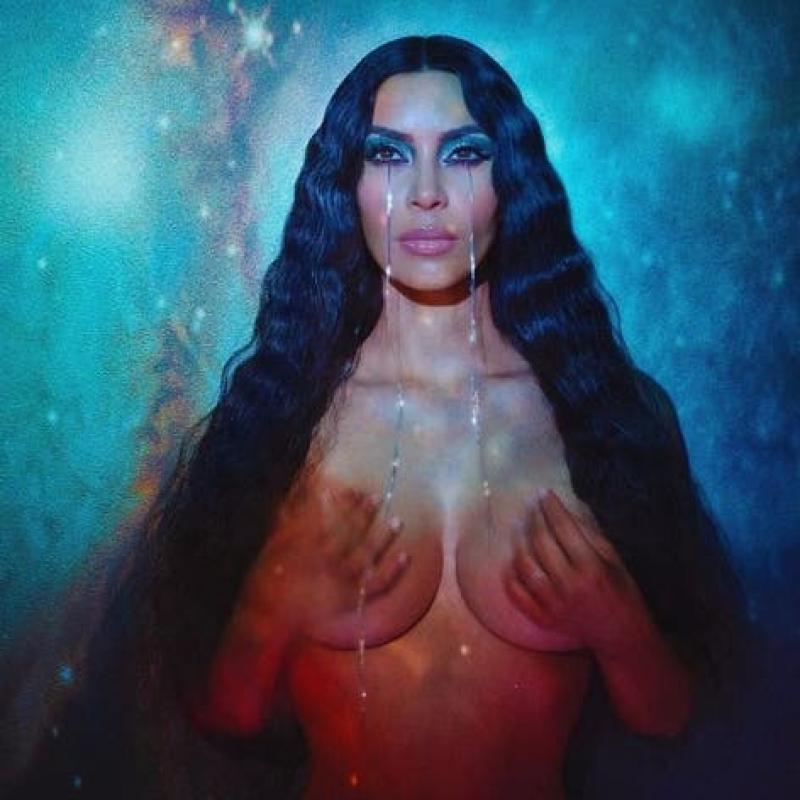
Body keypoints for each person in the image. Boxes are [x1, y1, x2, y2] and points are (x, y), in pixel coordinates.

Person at [139, 34, 746, 800]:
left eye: (463, 154)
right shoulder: (284, 422)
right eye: (387, 155)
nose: (426, 192)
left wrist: (620, 625)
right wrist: (273, 600)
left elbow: (667, 716)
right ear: (347, 183)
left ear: (511, 179)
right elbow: (224, 714)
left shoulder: (598, 417)